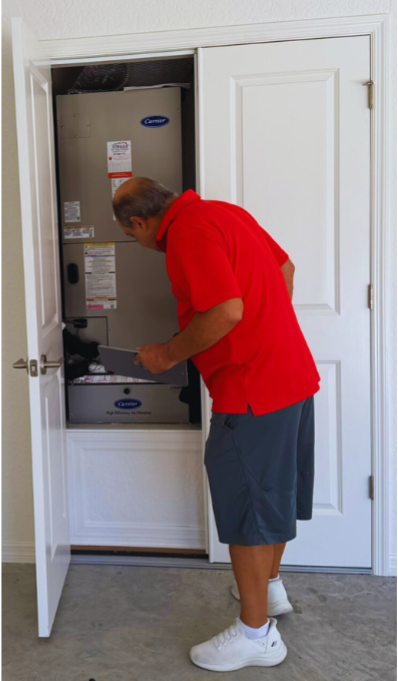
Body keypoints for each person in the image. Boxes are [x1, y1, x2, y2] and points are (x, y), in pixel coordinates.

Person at [113, 177, 321, 672]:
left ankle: (256, 636)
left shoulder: (186, 234)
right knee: (272, 493)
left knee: (246, 503)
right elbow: (285, 268)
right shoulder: (226, 213)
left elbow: (226, 310)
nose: (139, 242)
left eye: (131, 234)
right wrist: (264, 333)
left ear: (139, 223)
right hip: (290, 374)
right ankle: (268, 592)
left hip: (251, 391)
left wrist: (166, 353)